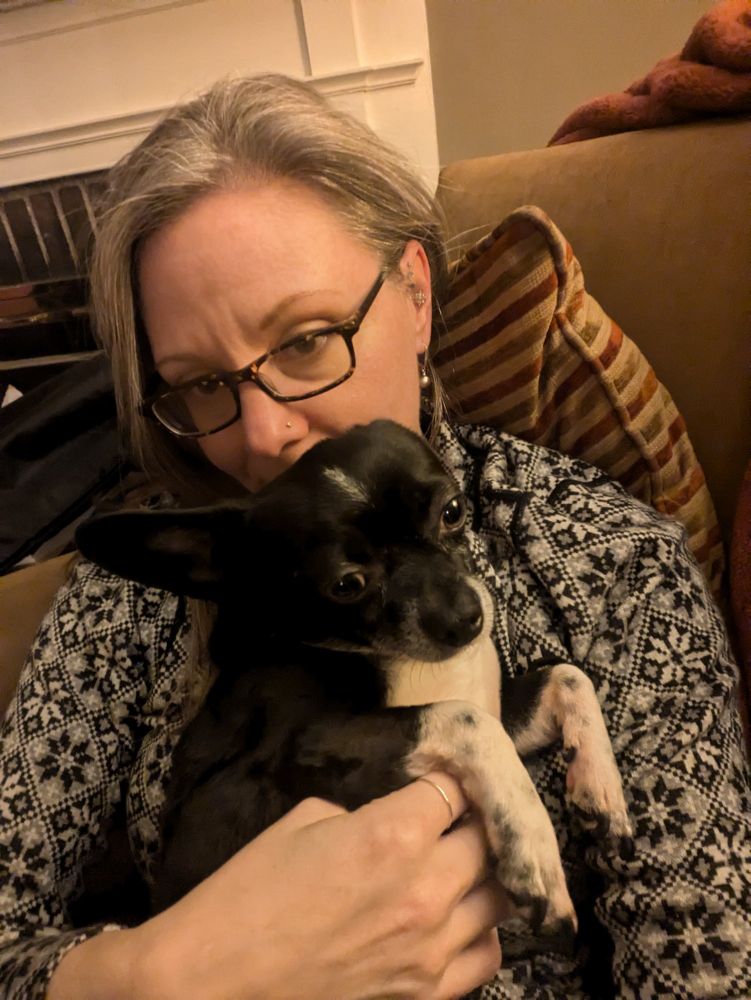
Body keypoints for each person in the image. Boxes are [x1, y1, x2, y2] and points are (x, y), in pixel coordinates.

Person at [0, 74, 749, 1000]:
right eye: (202, 384)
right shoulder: (138, 592)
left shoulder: (607, 561)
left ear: (416, 294)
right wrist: (158, 975)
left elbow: (701, 966)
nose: (263, 434)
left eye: (306, 339)